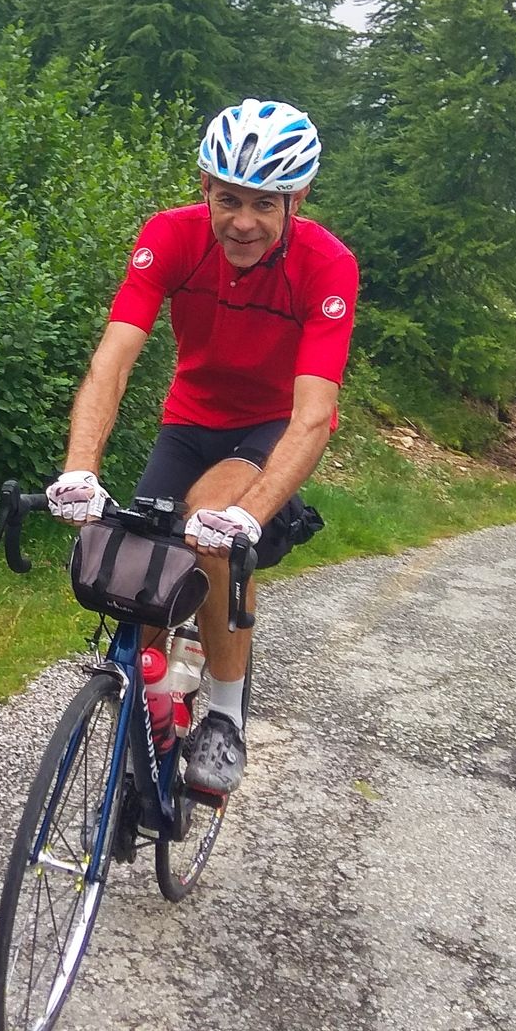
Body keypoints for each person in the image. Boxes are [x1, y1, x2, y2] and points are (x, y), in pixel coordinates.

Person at [46, 98, 358, 794]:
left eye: (264, 204)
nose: (243, 221)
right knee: (140, 580)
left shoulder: (327, 266)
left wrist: (250, 512)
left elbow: (314, 414)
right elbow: (113, 360)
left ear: (295, 200)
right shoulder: (170, 237)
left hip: (271, 426)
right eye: (228, 199)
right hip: (191, 420)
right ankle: (146, 711)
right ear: (203, 188)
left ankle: (222, 718)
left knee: (208, 523)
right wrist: (79, 470)